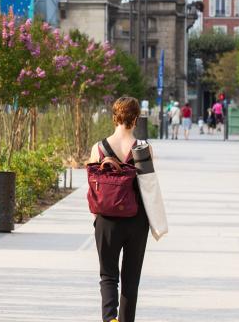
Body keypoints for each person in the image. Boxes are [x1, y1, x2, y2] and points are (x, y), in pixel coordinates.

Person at [89, 97, 152, 322]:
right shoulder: (143, 149)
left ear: (114, 117)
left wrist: (98, 216)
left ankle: (109, 319)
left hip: (106, 220)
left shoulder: (98, 148)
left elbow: (92, 187)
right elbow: (149, 188)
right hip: (136, 220)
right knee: (130, 279)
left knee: (108, 276)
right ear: (135, 119)